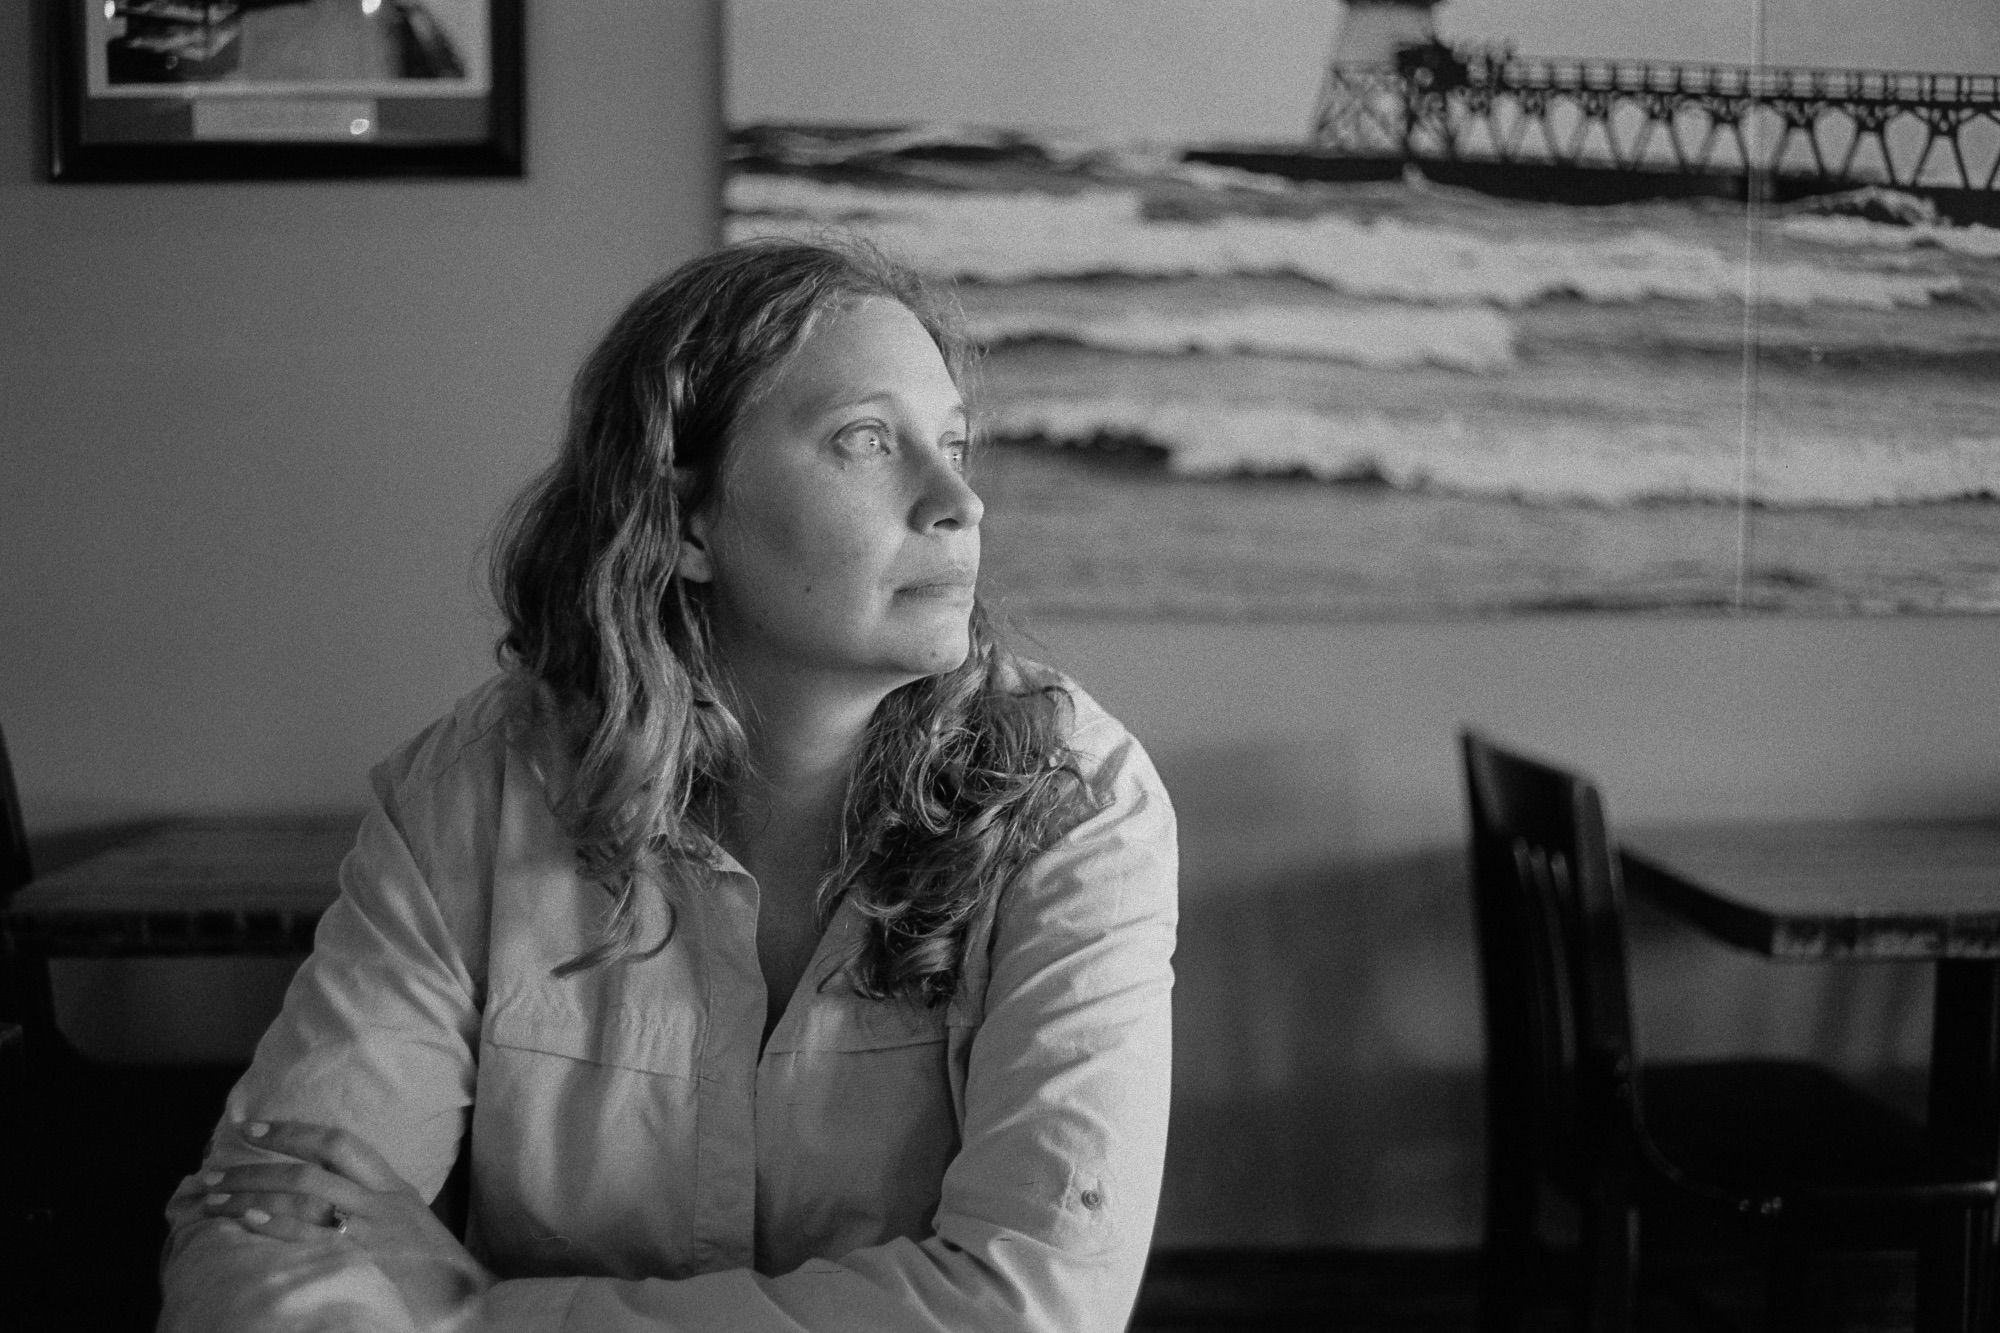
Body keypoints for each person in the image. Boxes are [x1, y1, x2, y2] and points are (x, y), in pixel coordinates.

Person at [158, 238, 1179, 1332]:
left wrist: (486, 1313)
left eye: (955, 445)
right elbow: (264, 1227)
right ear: (686, 519)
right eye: (868, 440)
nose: (957, 502)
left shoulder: (1075, 808)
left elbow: (1031, 1308)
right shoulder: (477, 794)